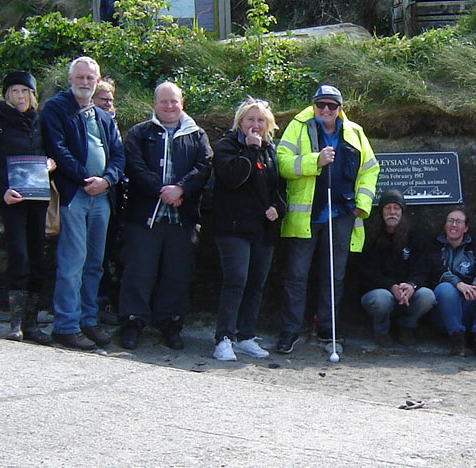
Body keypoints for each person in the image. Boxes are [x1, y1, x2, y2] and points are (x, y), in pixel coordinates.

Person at [275, 84, 379, 355]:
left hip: (342, 214)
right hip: (306, 216)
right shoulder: (298, 127)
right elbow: (282, 163)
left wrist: (361, 205)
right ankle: (289, 331)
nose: (325, 109)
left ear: (340, 108)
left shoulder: (355, 132)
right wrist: (315, 161)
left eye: (331, 105)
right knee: (296, 276)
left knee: (334, 277)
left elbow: (370, 169)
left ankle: (327, 329)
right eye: (320, 104)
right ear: (313, 105)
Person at [116, 82, 212, 350]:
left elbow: (204, 167)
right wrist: (161, 190)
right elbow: (134, 166)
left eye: (174, 101)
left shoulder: (197, 135)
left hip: (182, 218)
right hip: (146, 217)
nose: (169, 106)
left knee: (177, 276)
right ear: (155, 104)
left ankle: (171, 325)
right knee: (138, 272)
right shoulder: (139, 133)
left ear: (182, 103)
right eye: (163, 101)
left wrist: (181, 189)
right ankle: (132, 324)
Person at [40, 56, 125, 350]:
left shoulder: (103, 116)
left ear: (97, 81)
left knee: (95, 264)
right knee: (72, 262)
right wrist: (85, 179)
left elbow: (118, 155)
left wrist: (107, 180)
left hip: (102, 197)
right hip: (74, 195)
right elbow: (57, 149)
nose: (85, 82)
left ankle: (88, 320)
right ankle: (66, 326)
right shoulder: (56, 108)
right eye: (80, 77)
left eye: (90, 78)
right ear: (70, 79)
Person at [0, 71, 54, 345]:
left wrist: (50, 165)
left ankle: (32, 323)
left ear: (32, 94)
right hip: (12, 199)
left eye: (25, 91)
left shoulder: (39, 121)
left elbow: (50, 154)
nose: (20, 96)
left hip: (37, 198)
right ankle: (16, 323)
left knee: (38, 258)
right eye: (15, 91)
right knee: (19, 256)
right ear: (7, 94)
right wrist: (2, 192)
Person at [210, 97, 285, 361]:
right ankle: (223, 338)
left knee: (256, 284)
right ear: (240, 122)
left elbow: (278, 186)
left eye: (261, 120)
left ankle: (246, 336)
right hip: (233, 227)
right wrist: (251, 150)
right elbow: (232, 178)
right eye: (250, 119)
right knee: (236, 281)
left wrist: (278, 207)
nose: (256, 125)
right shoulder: (226, 146)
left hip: (262, 228)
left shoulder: (270, 149)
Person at [358, 190, 435, 348]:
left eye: (396, 208)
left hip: (408, 293)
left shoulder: (415, 236)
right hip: (381, 293)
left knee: (427, 296)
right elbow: (366, 273)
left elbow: (422, 267)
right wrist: (391, 286)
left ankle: (406, 327)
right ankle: (381, 331)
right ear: (381, 211)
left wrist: (411, 285)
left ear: (402, 212)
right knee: (381, 298)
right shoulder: (370, 237)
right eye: (388, 208)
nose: (392, 212)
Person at [429, 207, 476, 359]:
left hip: (470, 304)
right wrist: (458, 284)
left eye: (459, 222)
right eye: (450, 221)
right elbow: (436, 270)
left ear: (466, 228)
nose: (453, 225)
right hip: (445, 311)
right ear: (445, 225)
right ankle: (458, 340)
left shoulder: (474, 247)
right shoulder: (434, 246)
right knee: (445, 288)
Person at [92, 77, 123, 326]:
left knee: (104, 254)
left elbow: (119, 158)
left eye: (111, 100)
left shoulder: (113, 126)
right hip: (88, 195)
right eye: (103, 99)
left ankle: (101, 303)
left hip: (111, 197)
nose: (109, 104)